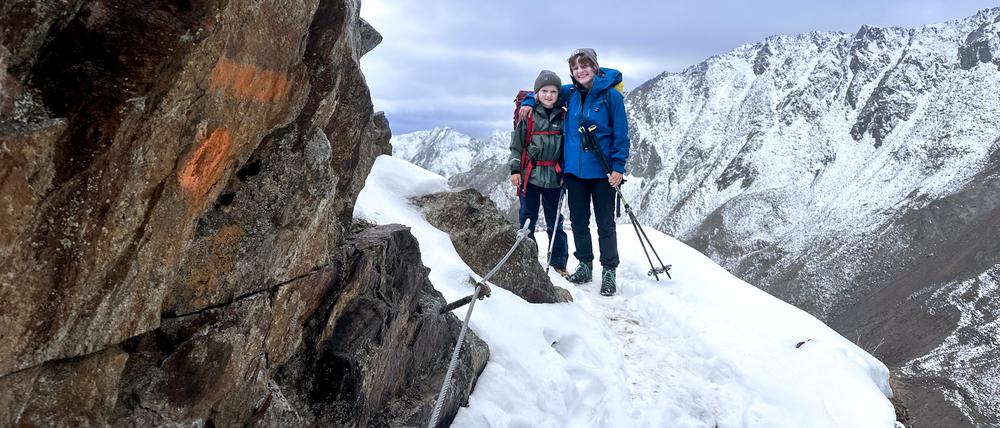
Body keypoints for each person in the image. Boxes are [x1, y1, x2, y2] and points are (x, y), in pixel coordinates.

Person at [519, 48, 629, 296]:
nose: (580, 71)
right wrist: (527, 102)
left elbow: (621, 136)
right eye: (576, 68)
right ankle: (585, 264)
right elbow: (542, 94)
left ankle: (609, 270)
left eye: (585, 65)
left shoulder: (611, 97)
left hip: (603, 173)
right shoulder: (569, 94)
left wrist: (618, 168)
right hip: (573, 172)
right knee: (578, 222)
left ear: (595, 67)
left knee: (604, 224)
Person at [509, 70, 569, 276]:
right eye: (544, 91)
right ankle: (528, 260)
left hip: (555, 177)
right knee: (527, 219)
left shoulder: (564, 116)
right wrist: (515, 170)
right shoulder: (528, 115)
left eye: (553, 91)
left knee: (555, 221)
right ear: (536, 93)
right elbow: (516, 146)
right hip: (530, 177)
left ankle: (559, 264)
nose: (549, 95)